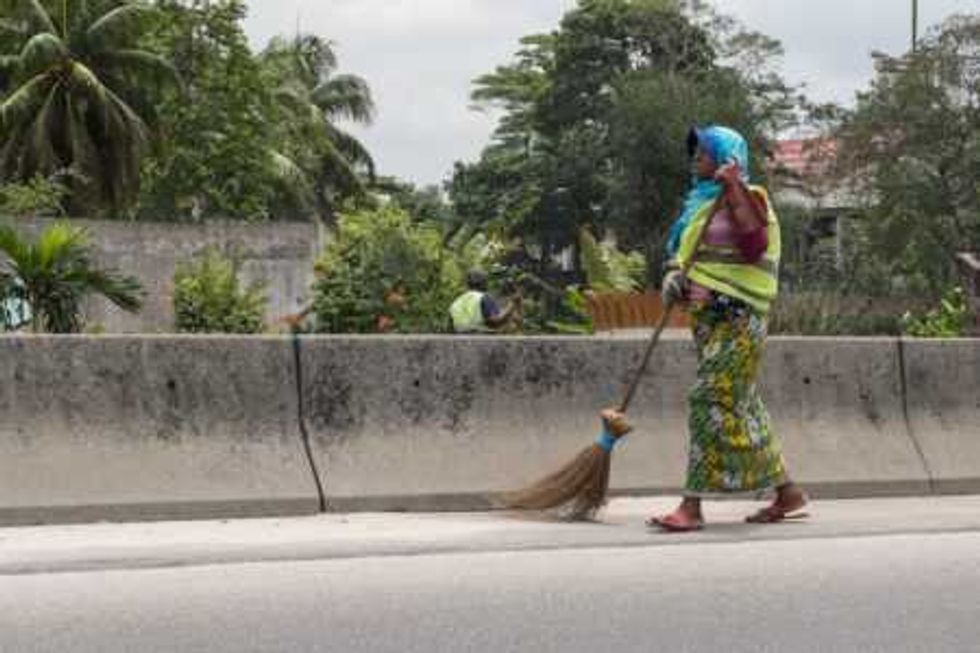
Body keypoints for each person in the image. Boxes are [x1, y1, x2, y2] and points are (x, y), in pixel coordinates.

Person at [628, 124, 806, 532]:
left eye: (704, 152)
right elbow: (688, 256)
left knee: (706, 399)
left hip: (739, 318)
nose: (696, 159)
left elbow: (754, 245)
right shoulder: (698, 205)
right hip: (707, 321)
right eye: (695, 153)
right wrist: (675, 276)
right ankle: (788, 492)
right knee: (741, 404)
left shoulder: (752, 197)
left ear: (728, 158)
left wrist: (733, 187)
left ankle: (691, 505)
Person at [449, 269, 520, 333]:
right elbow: (495, 323)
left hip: (459, 341)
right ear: (483, 283)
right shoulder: (484, 298)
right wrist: (512, 304)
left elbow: (450, 329)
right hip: (483, 340)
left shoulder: (456, 302)